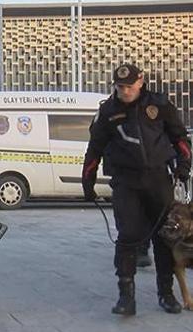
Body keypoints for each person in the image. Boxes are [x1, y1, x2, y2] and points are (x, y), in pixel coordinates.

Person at [82, 63, 191, 316]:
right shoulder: (108, 111)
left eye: (130, 86)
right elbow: (95, 148)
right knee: (128, 235)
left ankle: (166, 293)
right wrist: (87, 179)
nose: (125, 91)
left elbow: (179, 137)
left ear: (140, 83)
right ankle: (126, 297)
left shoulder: (159, 105)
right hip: (125, 181)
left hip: (158, 179)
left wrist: (184, 163)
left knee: (163, 237)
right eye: (120, 87)